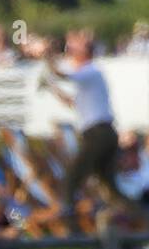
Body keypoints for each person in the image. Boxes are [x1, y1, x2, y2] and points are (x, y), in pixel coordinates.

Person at [44, 30, 123, 209]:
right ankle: (138, 218)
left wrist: (47, 55)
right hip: (104, 133)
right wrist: (51, 86)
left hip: (98, 135)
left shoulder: (90, 70)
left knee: (72, 177)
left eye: (72, 51)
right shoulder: (89, 78)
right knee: (109, 186)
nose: (69, 54)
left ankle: (68, 220)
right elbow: (72, 102)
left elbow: (62, 74)